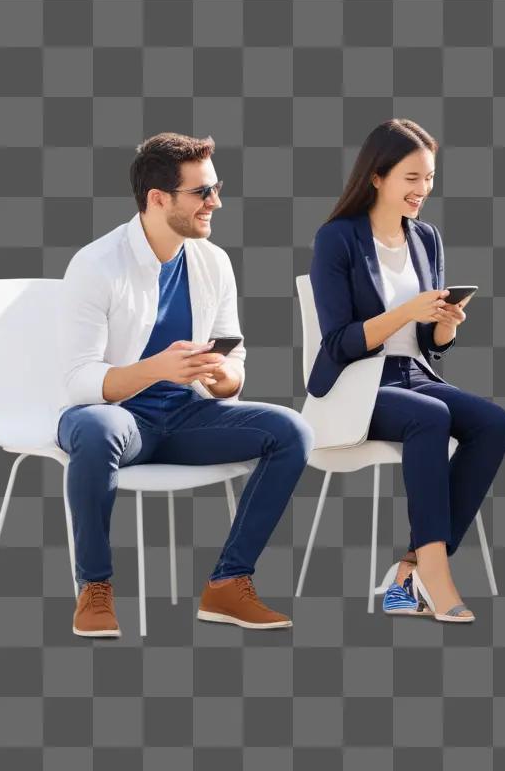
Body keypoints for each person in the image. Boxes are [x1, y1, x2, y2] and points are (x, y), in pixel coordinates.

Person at [57, 132, 313, 637]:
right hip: (120, 418)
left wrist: (222, 377)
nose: (216, 202)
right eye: (202, 192)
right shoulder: (95, 265)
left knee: (292, 431)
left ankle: (229, 582)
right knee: (94, 429)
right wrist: (157, 368)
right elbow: (78, 381)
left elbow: (233, 358)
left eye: (216, 188)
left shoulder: (212, 261)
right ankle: (94, 587)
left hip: (188, 418)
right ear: (158, 199)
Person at [308, 118, 505, 622]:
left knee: (494, 423)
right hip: (355, 383)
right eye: (411, 178)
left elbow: (429, 344)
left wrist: (445, 323)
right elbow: (338, 342)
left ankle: (409, 569)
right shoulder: (337, 239)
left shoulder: (426, 238)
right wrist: (407, 310)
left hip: (412, 374)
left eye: (429, 179)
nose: (423, 190)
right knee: (430, 418)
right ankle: (438, 579)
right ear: (376, 176)